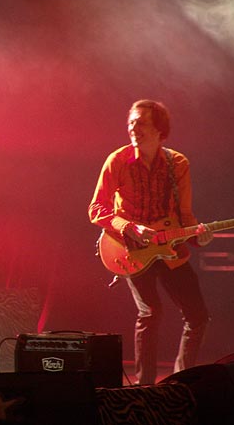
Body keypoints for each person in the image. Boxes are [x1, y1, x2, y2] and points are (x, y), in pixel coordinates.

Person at [88, 99, 213, 385]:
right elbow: (96, 209)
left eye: (141, 122)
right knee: (151, 311)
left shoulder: (177, 163)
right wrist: (129, 227)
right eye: (131, 122)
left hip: (169, 247)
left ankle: (182, 381)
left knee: (198, 315)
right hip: (131, 248)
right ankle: (144, 388)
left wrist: (198, 237)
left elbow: (185, 216)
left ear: (160, 130)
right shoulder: (117, 160)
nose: (133, 127)